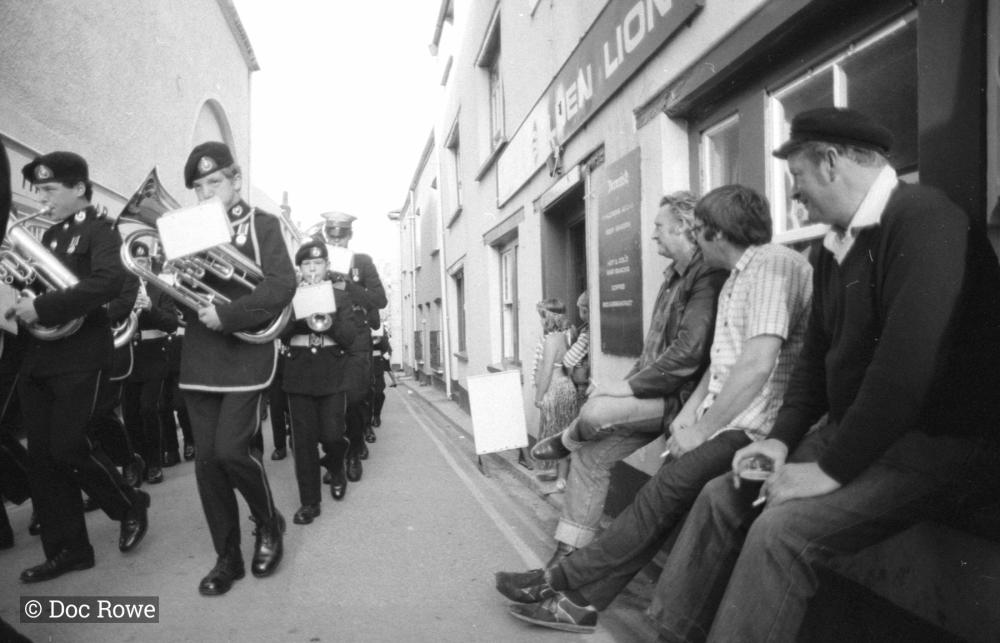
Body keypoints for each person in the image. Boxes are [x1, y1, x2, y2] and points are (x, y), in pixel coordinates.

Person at [650, 108, 1000, 643]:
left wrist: (827, 471)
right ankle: (670, 632)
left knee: (780, 530)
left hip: (935, 445)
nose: (796, 198)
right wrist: (780, 443)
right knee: (725, 493)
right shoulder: (831, 248)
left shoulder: (925, 217)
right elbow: (814, 365)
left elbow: (906, 368)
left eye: (798, 178)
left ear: (832, 162)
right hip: (861, 436)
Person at [497, 184, 813, 632]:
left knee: (657, 499)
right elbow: (722, 364)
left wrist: (702, 431)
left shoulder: (772, 266)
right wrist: (692, 416)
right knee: (658, 508)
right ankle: (580, 604)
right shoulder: (740, 274)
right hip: (728, 420)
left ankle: (559, 579)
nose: (695, 242)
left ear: (716, 233)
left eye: (699, 232)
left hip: (756, 429)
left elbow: (756, 364)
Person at [531, 192, 728, 564]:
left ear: (683, 227)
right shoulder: (673, 277)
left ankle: (564, 440)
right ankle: (567, 553)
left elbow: (688, 354)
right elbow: (653, 349)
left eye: (658, 227)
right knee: (590, 459)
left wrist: (623, 389)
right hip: (656, 392)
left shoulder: (707, 276)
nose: (652, 235)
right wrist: (626, 386)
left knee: (592, 414)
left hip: (682, 401)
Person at [11, 151, 150, 582]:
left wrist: (44, 305)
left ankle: (128, 504)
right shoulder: (46, 237)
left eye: (51, 190)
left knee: (68, 445)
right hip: (39, 357)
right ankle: (69, 550)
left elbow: (108, 282)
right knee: (43, 459)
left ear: (79, 189)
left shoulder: (101, 231)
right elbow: (30, 286)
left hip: (81, 354)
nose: (44, 199)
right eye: (41, 191)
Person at [178, 141, 296, 596]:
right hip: (200, 358)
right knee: (207, 463)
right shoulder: (187, 229)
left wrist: (228, 316)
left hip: (245, 353)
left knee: (231, 450)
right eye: (199, 186)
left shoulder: (261, 225)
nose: (207, 192)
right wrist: (171, 275)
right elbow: (178, 294)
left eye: (214, 182)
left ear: (235, 180)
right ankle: (226, 556)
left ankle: (267, 523)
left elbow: (282, 284)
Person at [282, 240, 357, 523]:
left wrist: (329, 317)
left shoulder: (340, 297)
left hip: (331, 373)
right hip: (299, 373)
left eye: (317, 264)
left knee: (332, 436)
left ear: (327, 267)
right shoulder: (289, 295)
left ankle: (336, 467)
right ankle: (309, 503)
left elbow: (349, 338)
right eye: (306, 265)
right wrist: (298, 310)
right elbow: (280, 333)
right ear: (299, 268)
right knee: (303, 444)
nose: (312, 269)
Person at [317, 211, 387, 483]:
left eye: (342, 237)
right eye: (332, 237)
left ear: (349, 236)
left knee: (355, 399)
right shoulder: (317, 260)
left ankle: (353, 452)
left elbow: (380, 300)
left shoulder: (362, 262)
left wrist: (347, 285)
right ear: (326, 236)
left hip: (356, 334)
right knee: (328, 402)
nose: (338, 242)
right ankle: (335, 455)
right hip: (327, 333)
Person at [121, 241, 178, 485]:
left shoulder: (159, 288)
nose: (138, 266)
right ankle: (138, 462)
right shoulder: (119, 288)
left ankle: (154, 462)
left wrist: (151, 308)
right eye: (134, 261)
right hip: (126, 359)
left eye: (143, 262)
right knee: (130, 414)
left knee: (148, 408)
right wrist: (124, 306)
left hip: (153, 356)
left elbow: (172, 322)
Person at [531, 299, 578, 487]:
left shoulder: (551, 340)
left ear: (548, 317)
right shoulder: (568, 335)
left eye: (541, 317)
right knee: (562, 431)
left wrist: (538, 396)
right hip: (566, 386)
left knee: (553, 432)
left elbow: (547, 370)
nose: (540, 321)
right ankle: (561, 478)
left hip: (555, 388)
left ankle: (559, 478)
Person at [561, 290, 590, 401]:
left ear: (584, 311)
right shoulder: (586, 328)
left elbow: (568, 360)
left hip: (582, 385)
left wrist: (568, 343)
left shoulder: (587, 333)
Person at [369, 324, 395, 428]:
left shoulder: (377, 328)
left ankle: (376, 415)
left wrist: (378, 339)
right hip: (357, 366)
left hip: (375, 367)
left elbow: (386, 347)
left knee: (378, 393)